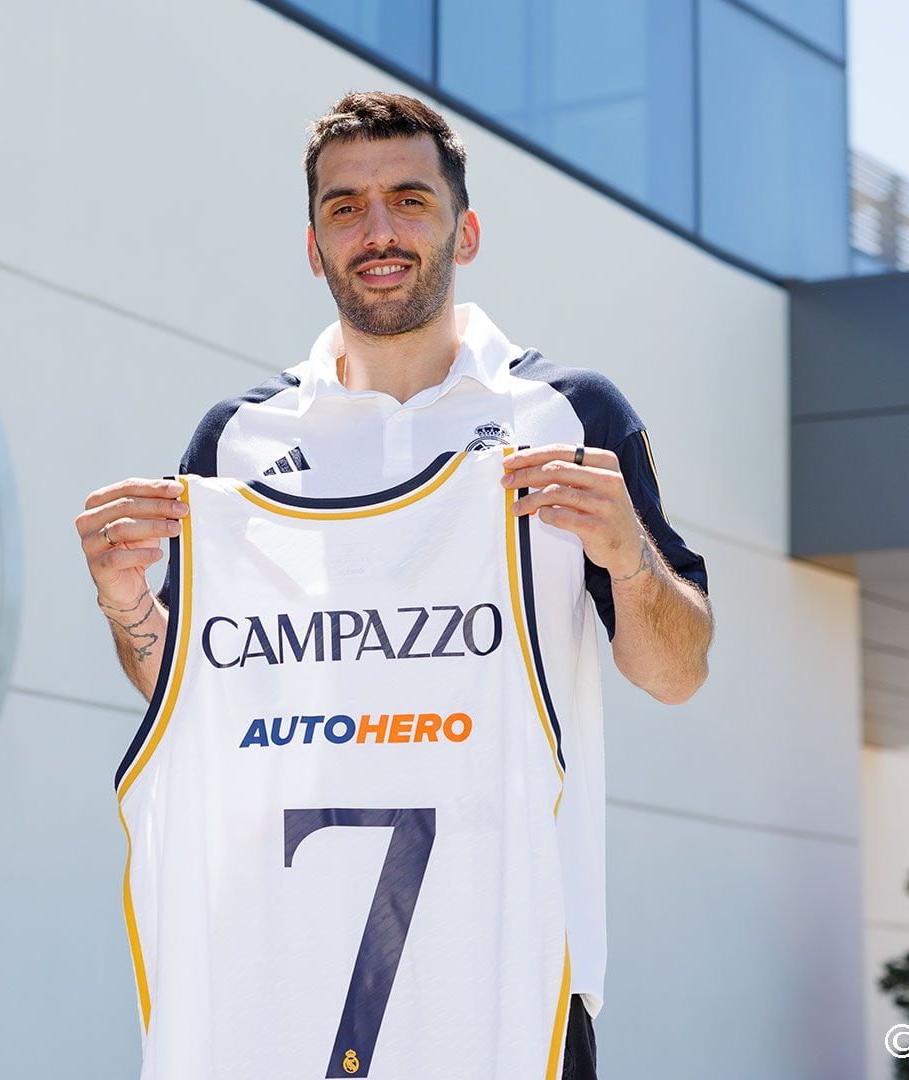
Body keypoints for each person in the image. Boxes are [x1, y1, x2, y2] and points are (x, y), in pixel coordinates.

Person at [75, 90, 715, 1079]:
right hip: (281, 979)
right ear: (312, 243)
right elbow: (196, 698)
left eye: (409, 199)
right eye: (345, 207)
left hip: (517, 983)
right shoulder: (238, 442)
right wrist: (127, 602)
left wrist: (629, 556)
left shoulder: (566, 413)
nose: (377, 231)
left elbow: (678, 673)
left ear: (465, 226)